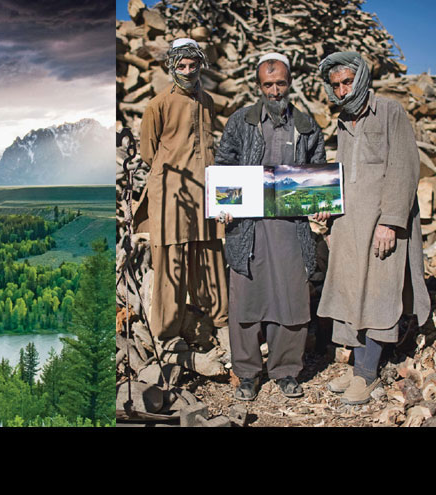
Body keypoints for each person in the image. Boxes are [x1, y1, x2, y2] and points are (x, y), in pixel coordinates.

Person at [317, 51, 431, 405]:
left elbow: (404, 168)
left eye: (347, 82)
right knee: (353, 293)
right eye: (336, 85)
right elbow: (342, 174)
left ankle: (366, 376)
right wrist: (332, 218)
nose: (342, 90)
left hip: (381, 223)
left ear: (362, 78)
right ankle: (356, 371)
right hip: (351, 224)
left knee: (379, 294)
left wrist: (391, 222)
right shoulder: (343, 120)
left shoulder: (390, 112)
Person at [214, 53, 327, 400]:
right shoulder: (240, 122)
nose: (275, 91)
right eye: (268, 84)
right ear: (258, 85)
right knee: (247, 299)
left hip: (290, 228)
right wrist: (224, 206)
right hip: (248, 228)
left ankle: (286, 370)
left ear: (290, 83)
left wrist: (321, 206)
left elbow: (318, 174)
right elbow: (224, 164)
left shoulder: (306, 126)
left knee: (291, 299)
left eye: (280, 84)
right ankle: (247, 373)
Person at [138, 38, 227, 351]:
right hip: (171, 191)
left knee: (209, 251)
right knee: (170, 258)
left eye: (193, 65)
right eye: (181, 65)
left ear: (200, 65)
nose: (188, 71)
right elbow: (149, 151)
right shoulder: (157, 104)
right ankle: (166, 333)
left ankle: (218, 320)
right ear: (171, 67)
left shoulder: (208, 102)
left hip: (204, 189)